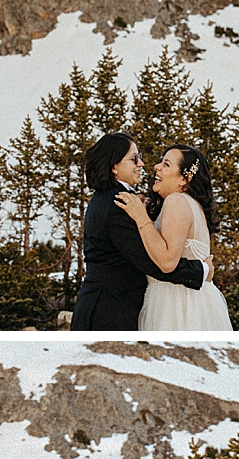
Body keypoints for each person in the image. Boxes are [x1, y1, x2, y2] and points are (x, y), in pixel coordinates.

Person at [71, 132, 208, 330]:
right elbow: (152, 261)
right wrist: (201, 270)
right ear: (114, 167)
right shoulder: (118, 203)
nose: (142, 164)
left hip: (111, 308)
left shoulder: (117, 199)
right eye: (134, 158)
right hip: (108, 313)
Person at [114, 144, 233, 331]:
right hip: (193, 300)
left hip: (177, 305)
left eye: (166, 164)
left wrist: (140, 216)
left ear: (184, 180)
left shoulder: (177, 201)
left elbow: (168, 261)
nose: (156, 167)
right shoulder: (189, 204)